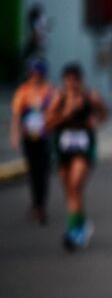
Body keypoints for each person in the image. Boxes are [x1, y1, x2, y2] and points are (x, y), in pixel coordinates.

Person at [44, 63, 108, 250]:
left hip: (83, 147)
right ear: (64, 81)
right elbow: (48, 123)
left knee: (75, 183)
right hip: (63, 148)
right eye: (68, 80)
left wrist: (95, 117)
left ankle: (74, 231)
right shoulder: (59, 98)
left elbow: (103, 116)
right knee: (70, 190)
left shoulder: (90, 97)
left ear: (81, 80)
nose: (72, 84)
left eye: (75, 80)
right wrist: (66, 113)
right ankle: (80, 222)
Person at [10, 58, 55, 224]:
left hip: (44, 137)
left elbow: (55, 112)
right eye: (33, 73)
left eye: (38, 73)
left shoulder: (49, 91)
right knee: (33, 170)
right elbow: (16, 115)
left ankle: (41, 205)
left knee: (42, 171)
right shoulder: (23, 92)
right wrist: (15, 135)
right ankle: (36, 203)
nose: (35, 76)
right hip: (29, 137)